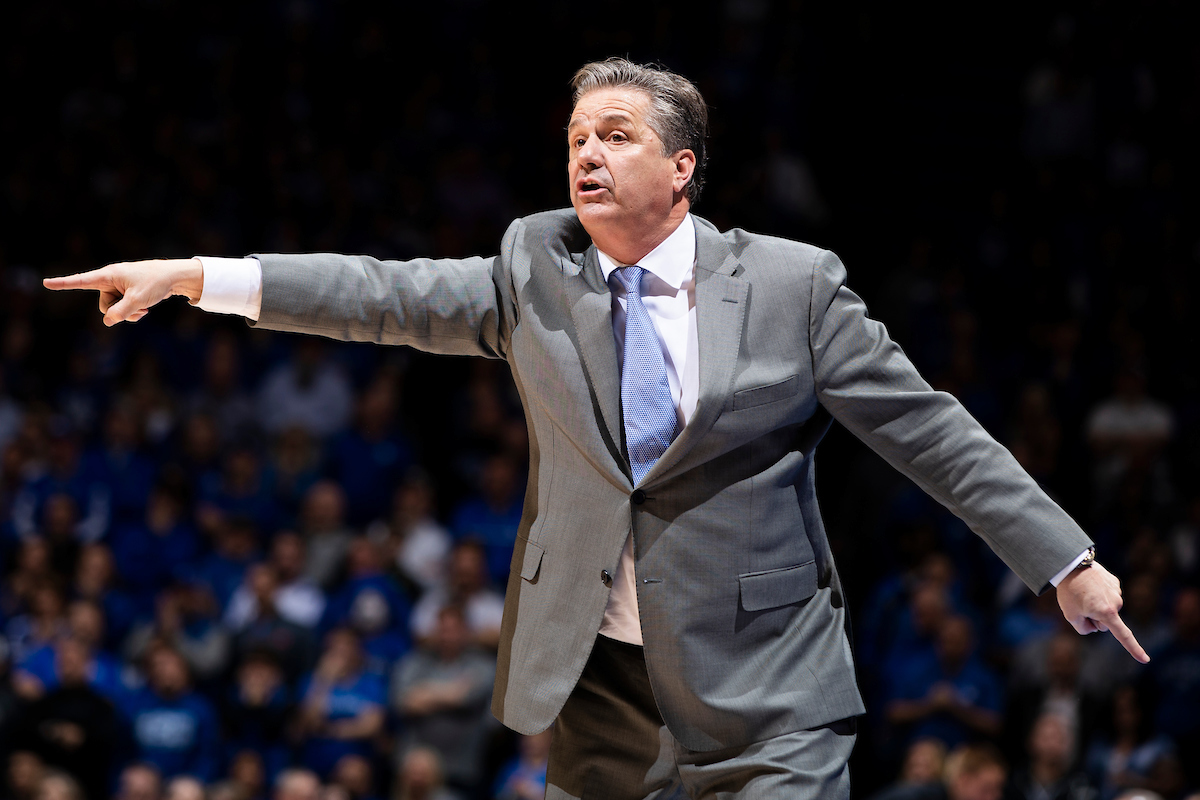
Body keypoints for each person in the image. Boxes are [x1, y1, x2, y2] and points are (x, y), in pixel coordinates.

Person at [45, 57, 1147, 799]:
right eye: (576, 135)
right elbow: (380, 291)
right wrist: (201, 275)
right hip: (599, 687)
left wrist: (1065, 560)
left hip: (767, 686)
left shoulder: (791, 286)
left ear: (680, 167)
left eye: (615, 134)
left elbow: (930, 431)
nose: (585, 152)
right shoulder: (535, 263)